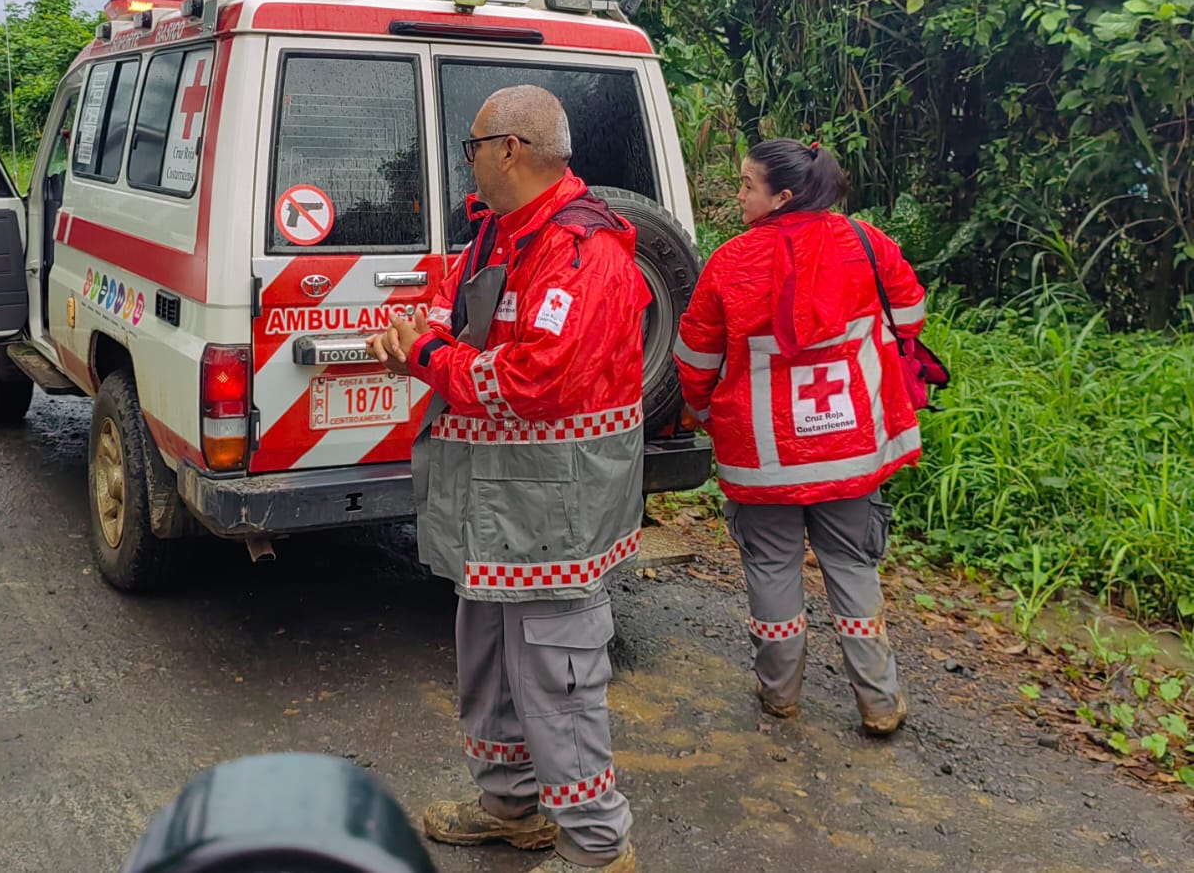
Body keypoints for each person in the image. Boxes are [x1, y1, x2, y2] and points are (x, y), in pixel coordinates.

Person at [366, 86, 647, 873]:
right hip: (492, 507)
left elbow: (536, 381)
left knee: (558, 677)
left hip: (554, 512)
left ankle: (597, 848)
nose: (470, 162)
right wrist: (412, 335)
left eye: (473, 146)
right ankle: (510, 806)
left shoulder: (581, 252)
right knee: (487, 660)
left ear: (509, 150)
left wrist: (427, 357)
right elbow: (447, 308)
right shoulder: (498, 234)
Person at [674, 139, 925, 735]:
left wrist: (702, 411)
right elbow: (910, 317)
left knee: (771, 571)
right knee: (853, 568)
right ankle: (880, 702)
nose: (738, 195)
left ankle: (780, 694)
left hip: (762, 460)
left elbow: (696, 359)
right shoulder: (867, 243)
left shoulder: (730, 263)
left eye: (747, 185)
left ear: (782, 196)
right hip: (850, 453)